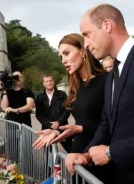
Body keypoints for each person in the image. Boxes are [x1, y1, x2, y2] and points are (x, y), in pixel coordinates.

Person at [65, 4, 134, 183]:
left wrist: (111, 152)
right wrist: (86, 154)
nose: (85, 45)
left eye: (87, 34)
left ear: (107, 25)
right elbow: (107, 123)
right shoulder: (114, 72)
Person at [33, 33, 114, 183]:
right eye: (61, 57)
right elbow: (80, 123)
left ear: (83, 51)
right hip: (77, 157)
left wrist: (80, 129)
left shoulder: (107, 81)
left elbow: (111, 125)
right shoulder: (77, 86)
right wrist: (58, 131)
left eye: (66, 53)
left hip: (98, 156)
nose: (63, 60)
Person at [35, 74, 71, 151]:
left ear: (54, 82)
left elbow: (67, 110)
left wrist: (58, 122)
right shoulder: (40, 97)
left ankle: (75, 162)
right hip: (47, 128)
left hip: (62, 126)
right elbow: (39, 114)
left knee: (70, 149)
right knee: (48, 152)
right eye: (46, 81)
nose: (49, 83)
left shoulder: (62, 94)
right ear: (43, 84)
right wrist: (49, 124)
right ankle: (51, 163)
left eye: (50, 81)